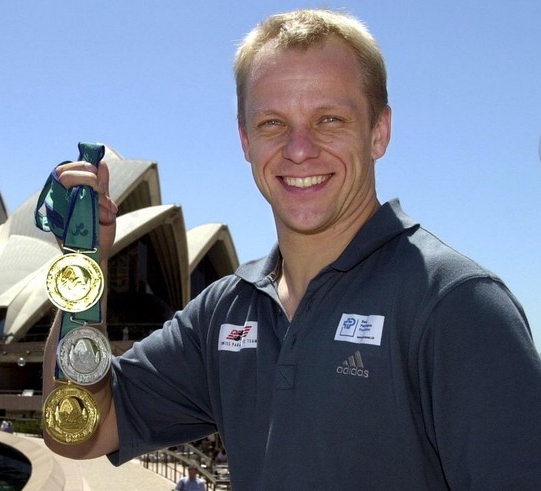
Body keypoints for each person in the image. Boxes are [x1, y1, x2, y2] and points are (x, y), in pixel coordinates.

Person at [41, 8, 541, 489]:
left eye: (329, 120)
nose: (299, 149)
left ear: (379, 132)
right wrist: (84, 264)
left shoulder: (455, 304)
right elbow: (84, 429)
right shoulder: (227, 311)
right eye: (273, 123)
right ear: (245, 141)